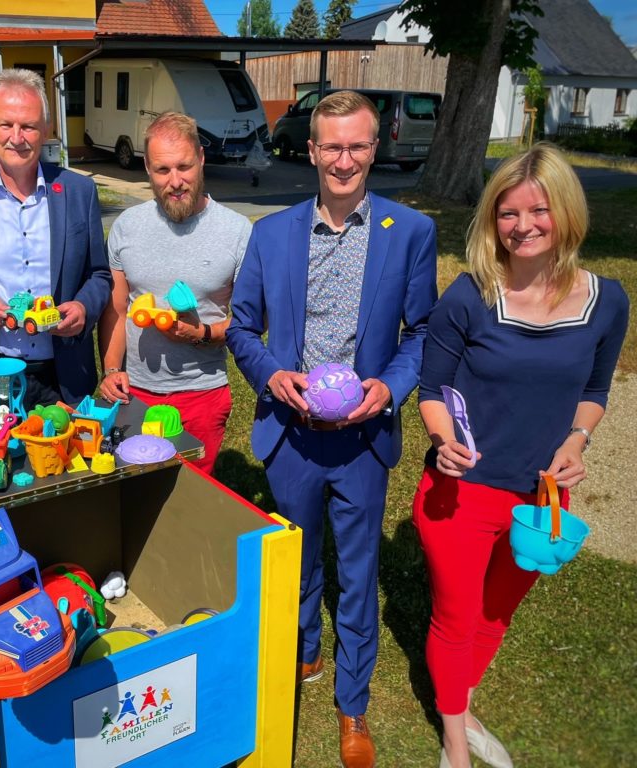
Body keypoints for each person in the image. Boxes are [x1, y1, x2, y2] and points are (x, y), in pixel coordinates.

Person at [227, 90, 438, 768]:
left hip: (362, 441)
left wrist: (392, 387)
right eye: (331, 146)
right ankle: (303, 649)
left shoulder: (408, 232)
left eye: (357, 146)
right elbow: (240, 326)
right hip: (291, 434)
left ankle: (353, 702)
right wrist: (270, 377)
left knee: (358, 568)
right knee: (298, 558)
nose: (343, 159)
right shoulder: (272, 233)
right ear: (311, 150)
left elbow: (423, 332)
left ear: (374, 150)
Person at [413, 143, 628, 768]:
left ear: (565, 213)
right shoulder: (469, 295)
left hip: (541, 501)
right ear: (492, 220)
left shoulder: (607, 301)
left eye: (538, 211)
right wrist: (440, 440)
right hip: (462, 493)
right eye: (508, 213)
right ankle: (455, 741)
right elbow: (431, 389)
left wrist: (576, 439)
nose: (524, 226)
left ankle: (460, 700)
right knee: (456, 618)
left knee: (495, 614)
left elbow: (595, 389)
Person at [0, 68, 111, 417]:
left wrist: (84, 308)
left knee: (69, 465)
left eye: (28, 126)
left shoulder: (78, 192)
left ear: (45, 129)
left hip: (64, 372)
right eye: (5, 124)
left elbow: (99, 274)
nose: (17, 137)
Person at [98, 111, 251, 474]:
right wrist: (110, 369)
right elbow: (117, 310)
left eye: (184, 167)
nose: (176, 181)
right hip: (134, 393)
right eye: (162, 170)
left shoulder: (238, 231)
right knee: (135, 492)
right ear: (147, 169)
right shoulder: (127, 227)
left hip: (203, 394)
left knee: (192, 498)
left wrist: (202, 334)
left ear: (201, 158)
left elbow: (248, 323)